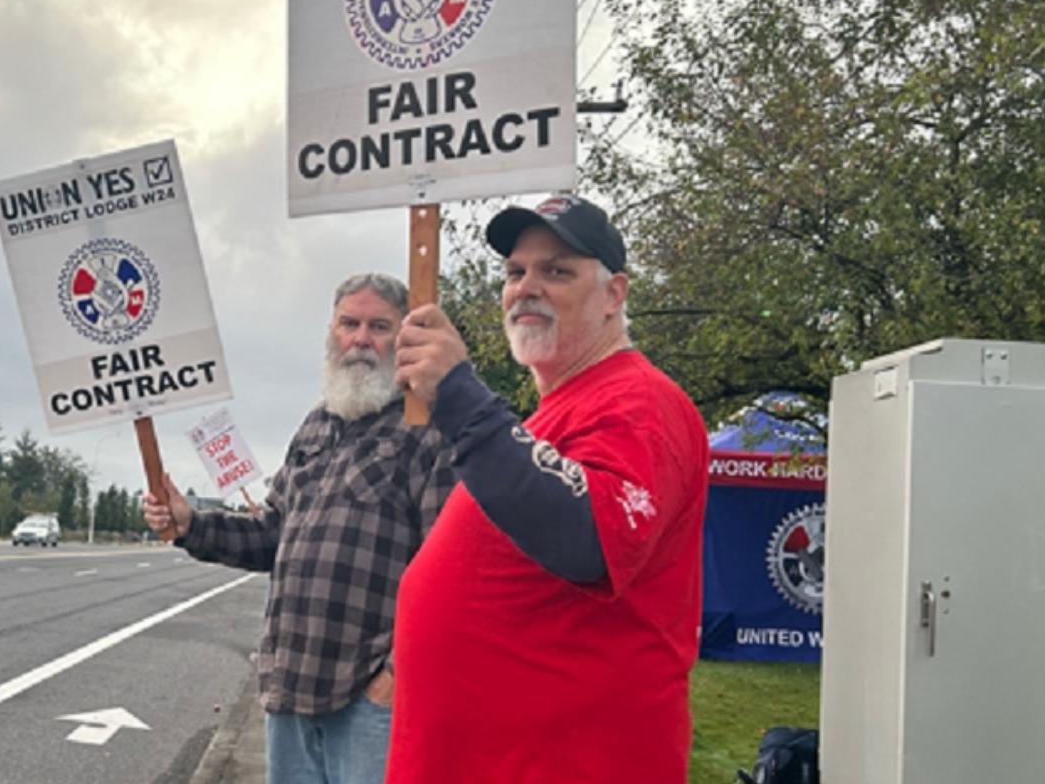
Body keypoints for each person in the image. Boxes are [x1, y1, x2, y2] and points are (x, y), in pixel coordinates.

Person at [387, 195, 709, 784]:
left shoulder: (641, 403)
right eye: (515, 272)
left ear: (614, 295)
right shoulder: (553, 417)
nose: (526, 287)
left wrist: (461, 398)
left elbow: (587, 538)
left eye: (556, 270)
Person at [144, 272, 455, 784]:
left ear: (403, 338)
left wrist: (397, 676)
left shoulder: (428, 428)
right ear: (331, 332)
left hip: (370, 701)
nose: (360, 339)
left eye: (378, 326)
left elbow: (450, 569)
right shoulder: (314, 426)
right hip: (290, 687)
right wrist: (190, 525)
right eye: (348, 324)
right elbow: (272, 533)